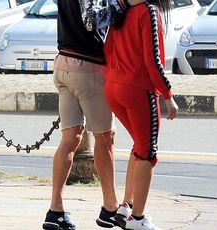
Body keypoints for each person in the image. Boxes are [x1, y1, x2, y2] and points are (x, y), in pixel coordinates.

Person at [41, 0, 143, 230]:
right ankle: (109, 207)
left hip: (63, 64)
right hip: (89, 68)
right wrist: (123, 5)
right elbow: (91, 20)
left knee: (70, 138)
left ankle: (55, 209)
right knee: (105, 137)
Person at [103, 0, 179, 229]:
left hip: (113, 86)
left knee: (139, 146)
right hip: (138, 89)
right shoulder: (148, 11)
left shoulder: (120, 10)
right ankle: (137, 217)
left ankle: (127, 205)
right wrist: (168, 95)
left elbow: (107, 50)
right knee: (147, 153)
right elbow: (153, 59)